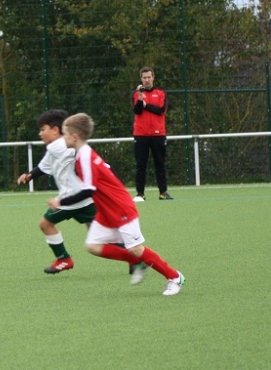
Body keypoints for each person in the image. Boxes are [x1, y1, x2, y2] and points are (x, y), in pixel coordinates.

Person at [50, 113, 185, 296]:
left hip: (121, 208)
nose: (62, 138)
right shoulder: (83, 154)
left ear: (74, 136)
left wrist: (61, 202)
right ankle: (136, 260)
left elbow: (88, 190)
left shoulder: (85, 157)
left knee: (136, 248)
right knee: (93, 245)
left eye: (65, 134)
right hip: (106, 211)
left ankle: (175, 277)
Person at [16, 109, 96, 275]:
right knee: (99, 235)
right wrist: (30, 175)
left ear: (55, 130)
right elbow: (45, 165)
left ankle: (63, 259)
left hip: (70, 199)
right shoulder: (58, 147)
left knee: (45, 224)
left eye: (43, 129)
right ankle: (134, 255)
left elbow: (74, 153)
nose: (40, 133)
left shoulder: (58, 146)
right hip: (85, 198)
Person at [132, 67, 172, 201]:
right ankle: (140, 193)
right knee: (140, 165)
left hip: (158, 134)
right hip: (141, 135)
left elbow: (161, 110)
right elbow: (137, 111)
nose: (147, 80)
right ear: (141, 79)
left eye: (149, 77)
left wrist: (146, 105)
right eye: (144, 78)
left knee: (160, 164)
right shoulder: (136, 94)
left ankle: (163, 192)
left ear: (153, 77)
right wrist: (140, 99)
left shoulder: (161, 93)